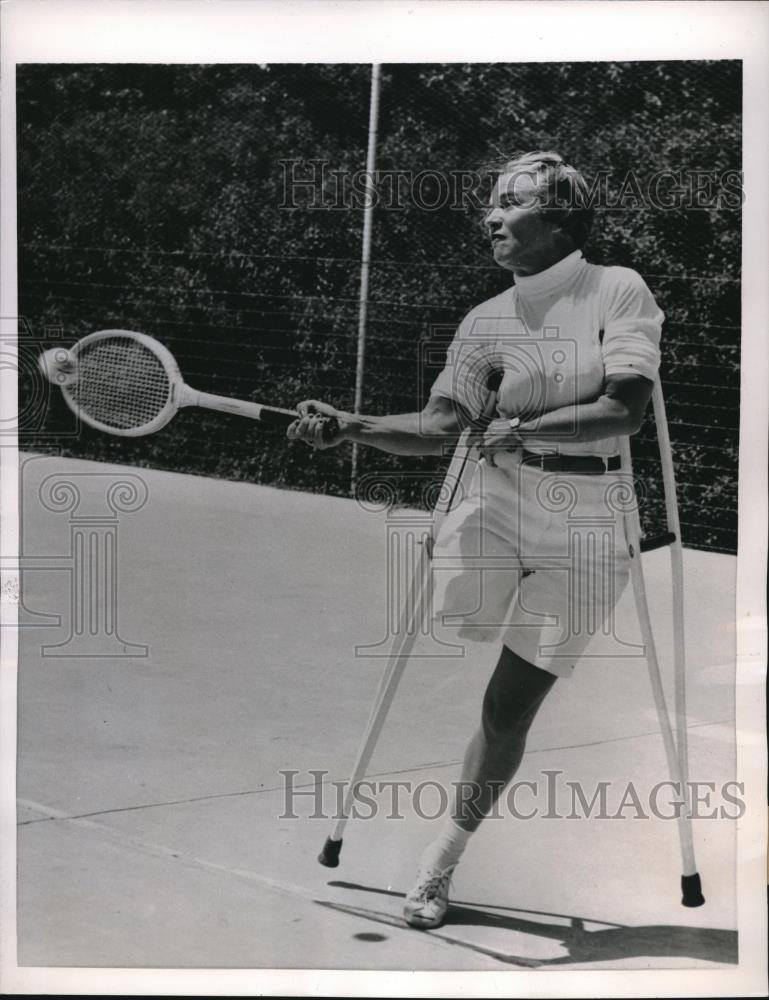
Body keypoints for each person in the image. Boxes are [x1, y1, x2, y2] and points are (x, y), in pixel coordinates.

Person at [287, 150, 664, 929]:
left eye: (510, 203)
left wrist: (521, 430)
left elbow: (623, 411)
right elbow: (437, 431)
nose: (490, 215)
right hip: (493, 503)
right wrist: (351, 426)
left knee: (505, 713)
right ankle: (475, 587)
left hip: (589, 522)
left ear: (558, 218)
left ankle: (436, 866)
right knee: (456, 610)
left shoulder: (616, 288)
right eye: (489, 201)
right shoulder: (483, 322)